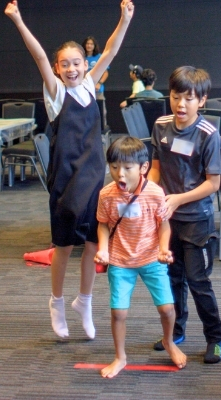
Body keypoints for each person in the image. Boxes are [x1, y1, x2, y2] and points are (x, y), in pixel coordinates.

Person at [5, 0, 134, 339]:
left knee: (93, 244)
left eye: (77, 62)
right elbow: (37, 57)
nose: (72, 68)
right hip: (65, 180)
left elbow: (110, 50)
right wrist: (18, 20)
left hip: (93, 178)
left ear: (84, 63)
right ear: (58, 68)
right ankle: (57, 302)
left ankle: (85, 302)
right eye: (65, 64)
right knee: (63, 247)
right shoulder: (56, 93)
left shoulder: (90, 85)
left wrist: (125, 19)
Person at [147, 66, 221, 364]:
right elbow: (156, 166)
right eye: (176, 97)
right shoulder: (161, 125)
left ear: (202, 101)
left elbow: (213, 183)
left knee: (198, 281)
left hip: (197, 219)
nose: (180, 104)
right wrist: (151, 194)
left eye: (189, 99)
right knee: (172, 277)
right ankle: (176, 331)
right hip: (167, 219)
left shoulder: (209, 134)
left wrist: (178, 198)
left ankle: (215, 338)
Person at [94, 137, 187, 378]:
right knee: (118, 313)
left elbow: (164, 225)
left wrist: (163, 248)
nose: (120, 174)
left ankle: (169, 342)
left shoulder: (155, 193)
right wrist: (103, 249)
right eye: (114, 167)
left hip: (151, 259)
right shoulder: (107, 194)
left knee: (167, 309)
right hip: (120, 261)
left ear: (143, 168)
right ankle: (120, 357)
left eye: (127, 168)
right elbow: (103, 225)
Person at [83, 36, 108, 101]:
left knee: (100, 109)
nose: (89, 46)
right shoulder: (81, 56)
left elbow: (105, 73)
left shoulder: (99, 57)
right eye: (87, 44)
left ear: (94, 46)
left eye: (91, 44)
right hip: (84, 89)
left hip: (97, 89)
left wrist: (99, 83)